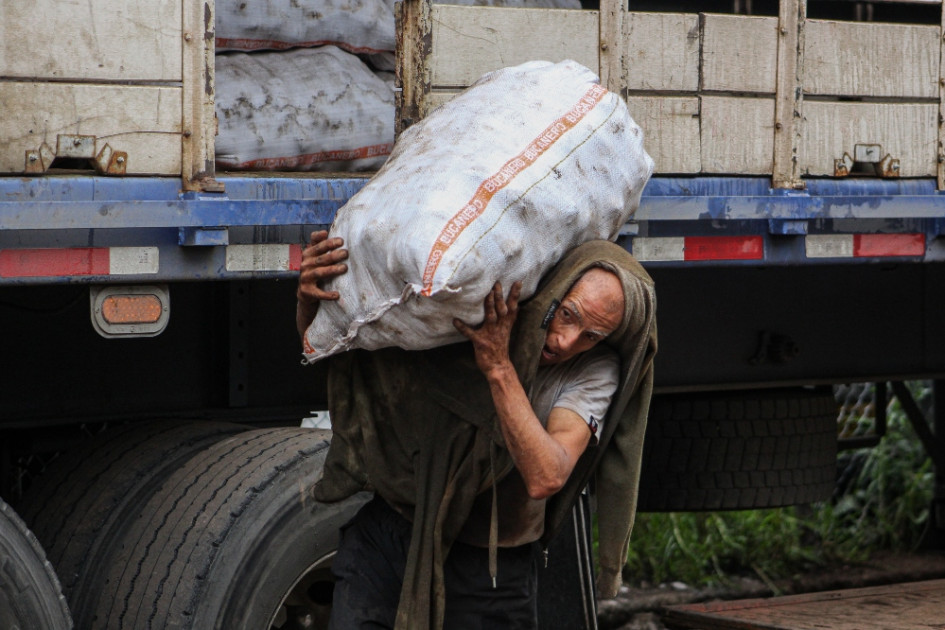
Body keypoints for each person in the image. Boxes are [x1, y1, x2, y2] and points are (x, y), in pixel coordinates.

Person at [297, 229, 657, 630]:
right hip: (391, 538)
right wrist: (311, 302)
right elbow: (347, 362)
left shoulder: (593, 370)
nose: (566, 340)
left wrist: (500, 368)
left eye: (591, 336)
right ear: (552, 291)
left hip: (488, 568)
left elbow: (547, 475)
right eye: (567, 314)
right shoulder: (479, 315)